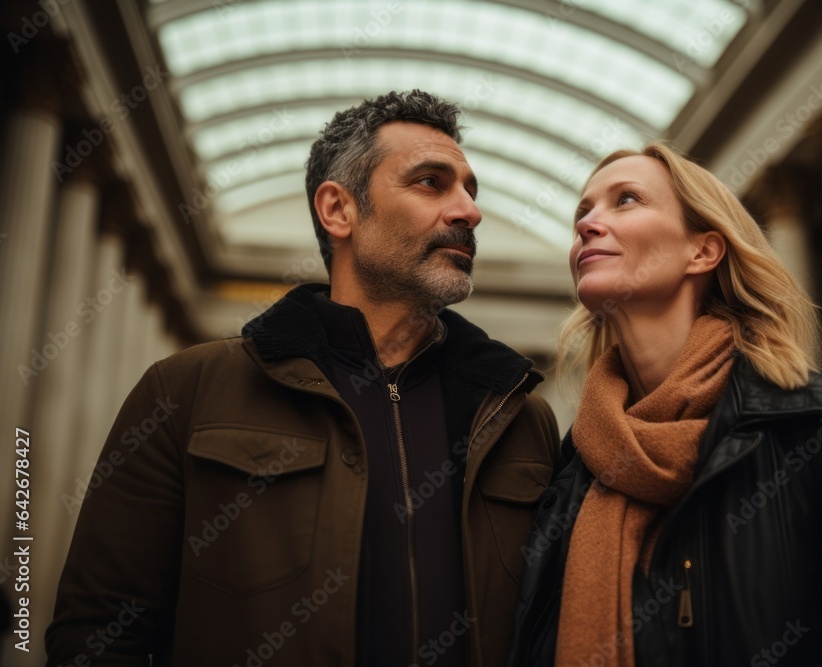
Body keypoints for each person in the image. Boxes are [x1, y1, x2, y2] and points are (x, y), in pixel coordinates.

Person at [46, 90, 560, 667]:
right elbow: (98, 634)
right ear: (338, 209)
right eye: (430, 182)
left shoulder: (519, 414)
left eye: (470, 189)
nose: (469, 211)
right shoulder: (186, 392)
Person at [508, 142, 822, 666]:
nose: (589, 223)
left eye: (626, 200)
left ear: (703, 251)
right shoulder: (572, 472)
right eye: (582, 212)